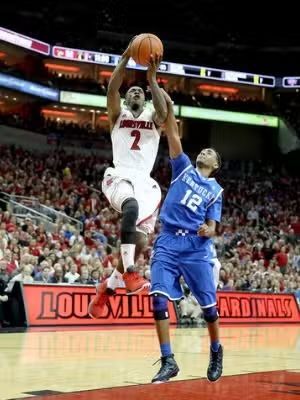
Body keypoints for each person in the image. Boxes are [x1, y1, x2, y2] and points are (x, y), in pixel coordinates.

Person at [88, 39, 167, 318]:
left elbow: (165, 112)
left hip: (145, 181)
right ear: (125, 99)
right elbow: (112, 89)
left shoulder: (152, 115)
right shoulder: (117, 114)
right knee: (130, 207)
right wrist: (123, 60)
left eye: (138, 92)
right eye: (130, 91)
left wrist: (152, 80)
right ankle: (130, 273)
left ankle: (106, 290)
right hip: (120, 175)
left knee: (141, 244)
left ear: (143, 99)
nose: (134, 93)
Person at [150, 91, 223, 383]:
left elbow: (214, 226)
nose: (204, 151)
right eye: (203, 150)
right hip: (168, 240)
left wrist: (209, 229)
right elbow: (171, 130)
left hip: (196, 246)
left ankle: (216, 349)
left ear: (216, 164)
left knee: (209, 309)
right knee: (157, 298)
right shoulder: (183, 168)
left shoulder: (216, 190)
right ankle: (169, 360)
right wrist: (162, 95)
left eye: (210, 152)